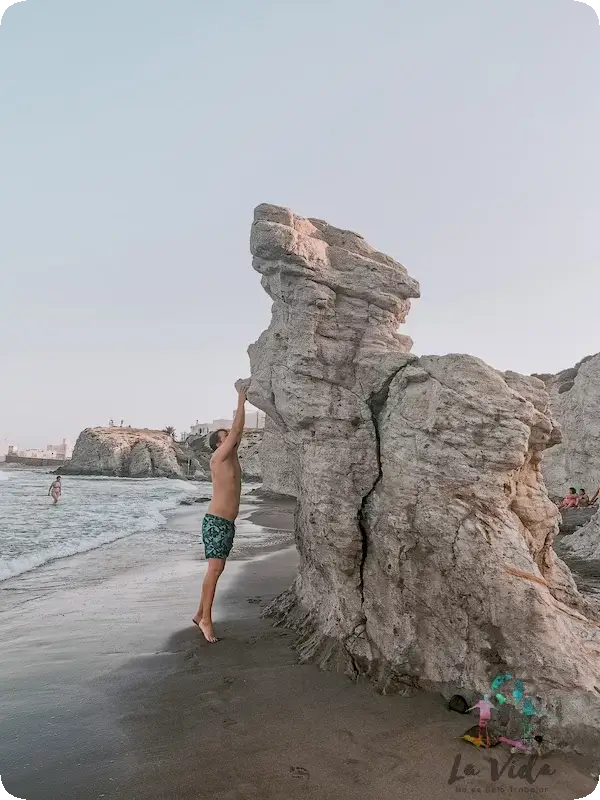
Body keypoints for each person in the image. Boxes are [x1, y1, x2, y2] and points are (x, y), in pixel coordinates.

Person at [192, 383, 247, 642]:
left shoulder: (232, 457)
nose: (232, 439)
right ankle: (206, 620)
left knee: (218, 569)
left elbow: (239, 431)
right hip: (215, 522)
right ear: (218, 445)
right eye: (226, 438)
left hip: (226, 523)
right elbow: (237, 429)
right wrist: (241, 399)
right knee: (214, 571)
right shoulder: (218, 459)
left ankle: (199, 612)